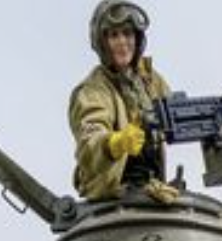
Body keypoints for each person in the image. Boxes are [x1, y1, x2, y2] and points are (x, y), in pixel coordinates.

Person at [69, 1, 177, 203]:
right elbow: (89, 142)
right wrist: (114, 143)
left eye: (127, 34)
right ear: (103, 42)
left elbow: (177, 113)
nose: (122, 42)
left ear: (137, 38)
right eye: (114, 35)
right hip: (114, 190)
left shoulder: (149, 80)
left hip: (152, 185)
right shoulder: (93, 90)